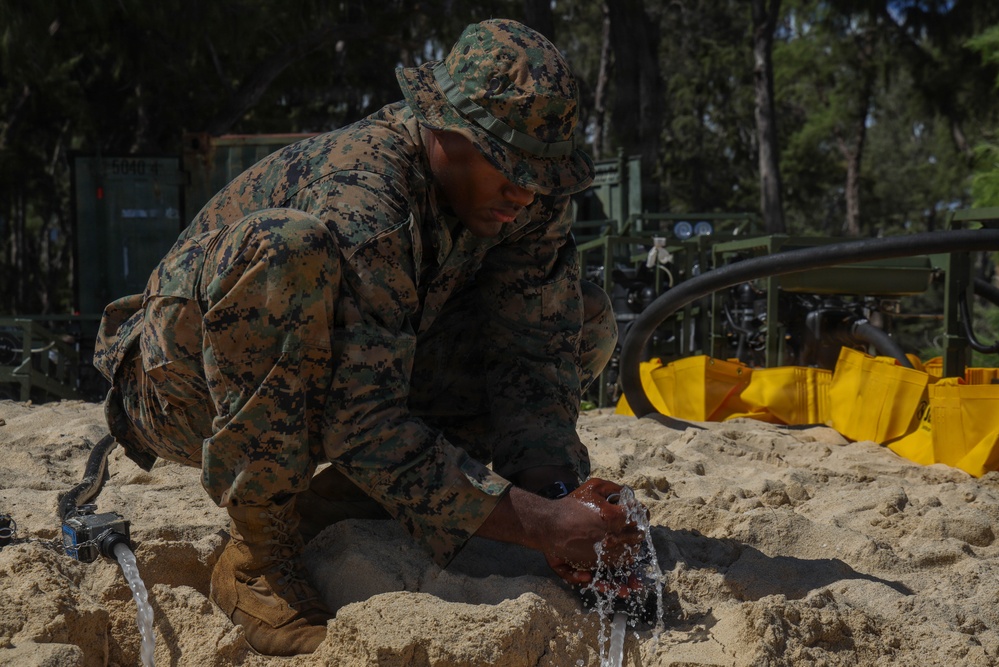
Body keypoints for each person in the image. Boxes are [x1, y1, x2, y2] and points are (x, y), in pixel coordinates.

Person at [94, 18, 647, 657]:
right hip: (182, 390)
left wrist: (561, 503)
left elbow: (536, 353)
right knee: (287, 251)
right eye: (509, 165)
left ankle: (336, 505)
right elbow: (363, 421)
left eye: (542, 171)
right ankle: (257, 556)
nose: (525, 191)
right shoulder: (364, 195)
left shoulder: (527, 195)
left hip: (346, 376)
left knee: (584, 318)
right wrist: (543, 524)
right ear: (444, 131)